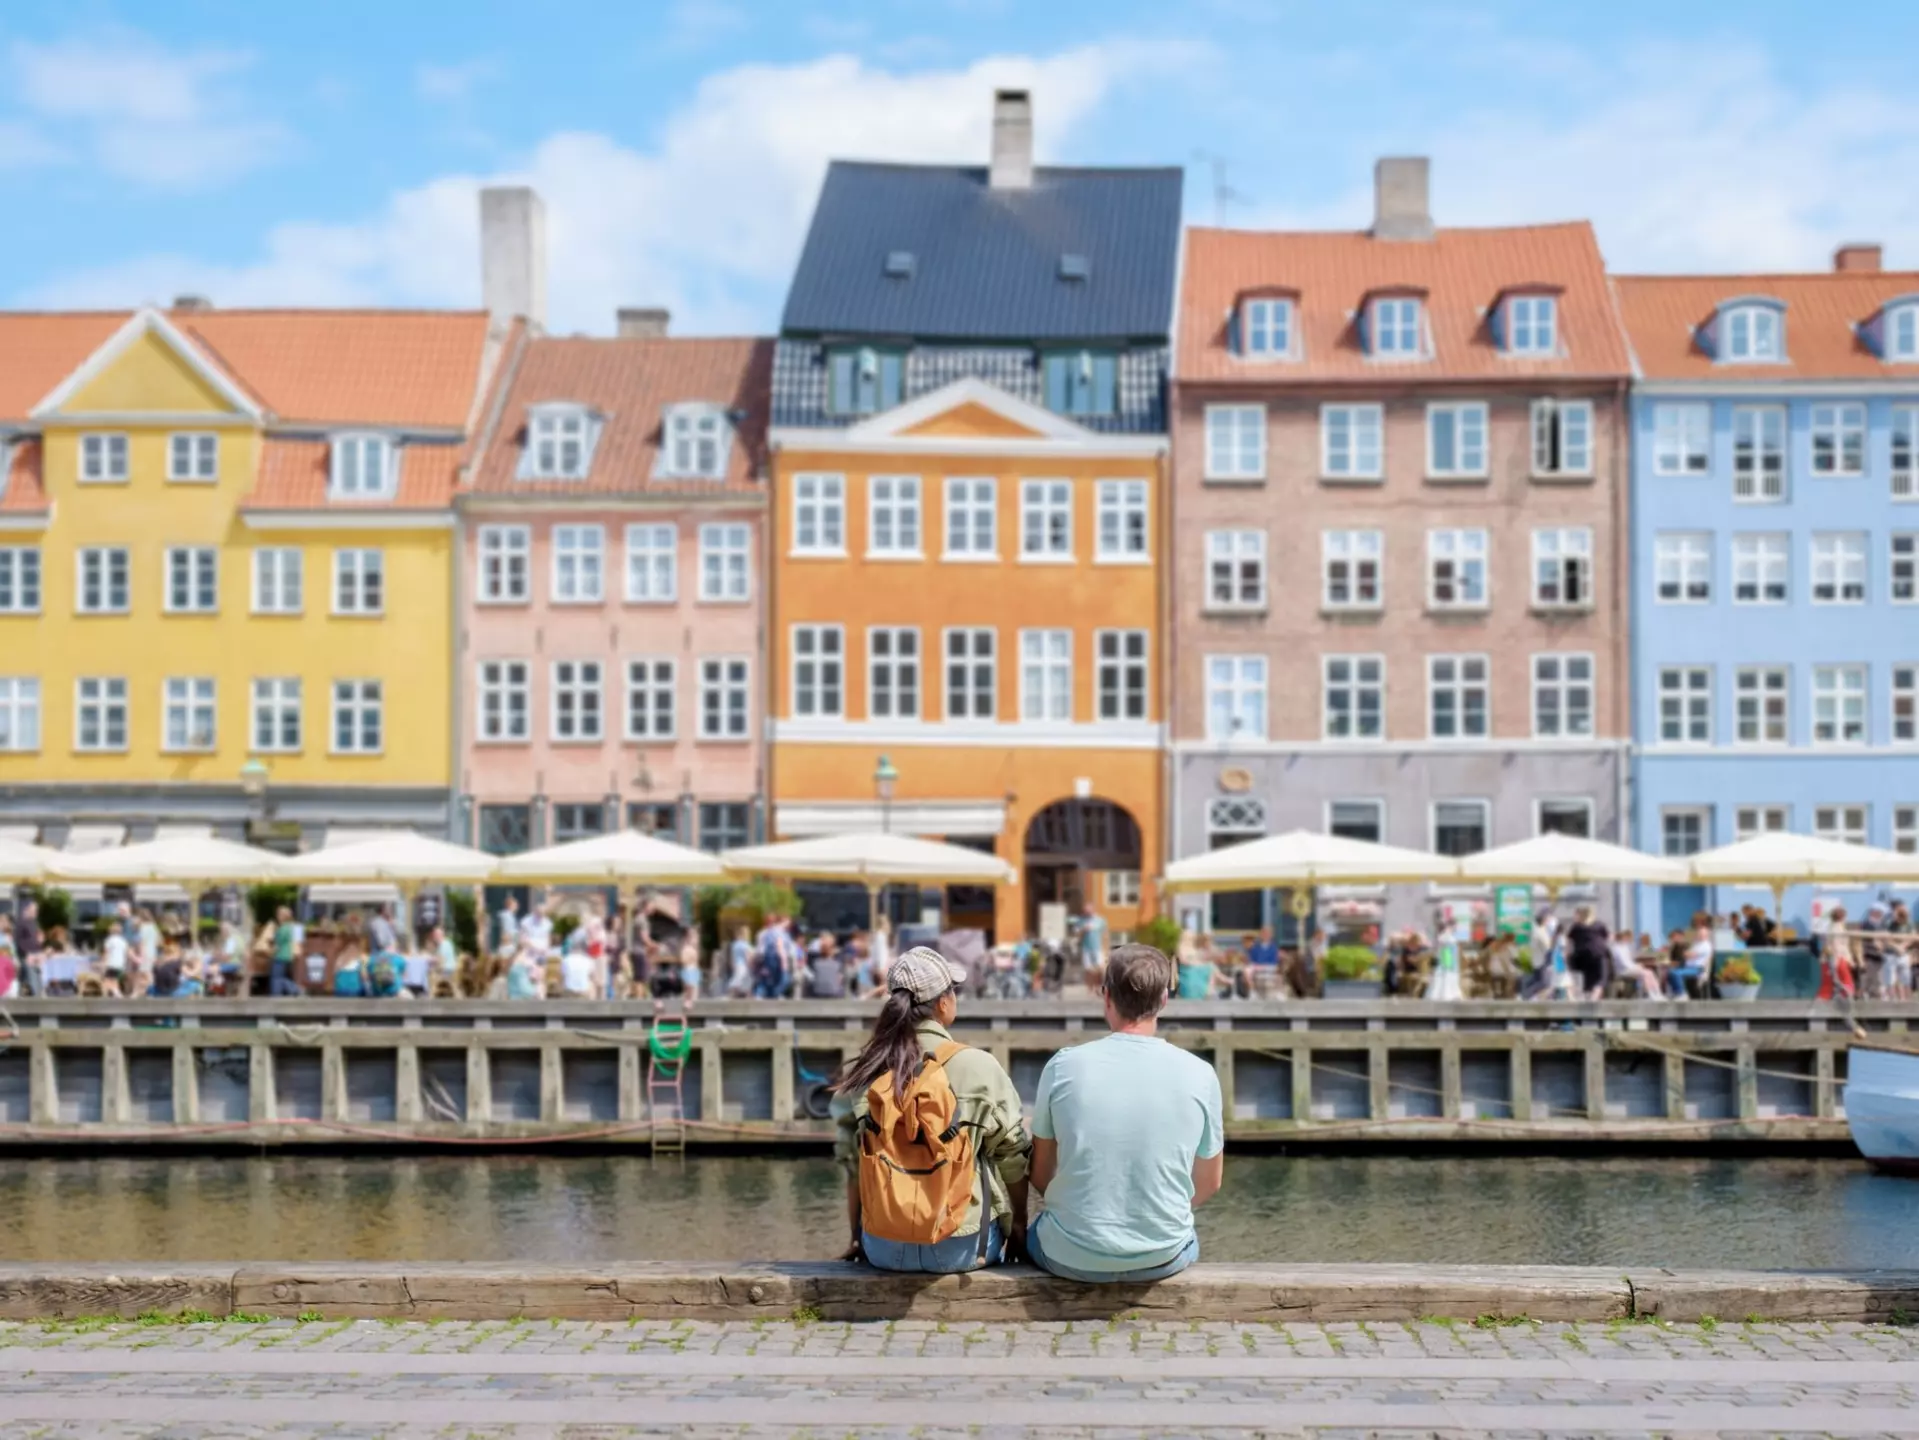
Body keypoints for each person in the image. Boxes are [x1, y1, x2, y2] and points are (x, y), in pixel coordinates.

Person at [1028, 944, 1222, 1284]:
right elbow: (1210, 1182)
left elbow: (1040, 1173)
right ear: (1164, 999)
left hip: (1069, 1252)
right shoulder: (1201, 1073)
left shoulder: (1062, 1066)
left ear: (1106, 997)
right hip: (1163, 1254)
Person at [831, 947, 1029, 1273]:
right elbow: (1012, 1156)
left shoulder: (865, 1070)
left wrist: (858, 1237)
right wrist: (1019, 1225)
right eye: (954, 989)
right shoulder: (979, 1066)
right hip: (963, 1246)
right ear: (943, 1002)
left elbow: (854, 1165)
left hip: (883, 1246)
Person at [1564, 905, 1609, 1000]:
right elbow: (1607, 938)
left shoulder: (1576, 927)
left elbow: (1568, 943)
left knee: (1585, 979)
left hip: (1581, 956)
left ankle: (1583, 997)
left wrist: (1567, 957)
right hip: (1598, 954)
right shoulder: (1599, 925)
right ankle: (1593, 999)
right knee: (1601, 979)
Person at [267, 906, 303, 996]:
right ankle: (288, 991)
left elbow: (278, 944)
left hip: (280, 955)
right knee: (281, 977)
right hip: (290, 956)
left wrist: (270, 948)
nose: (277, 916)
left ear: (283, 916)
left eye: (279, 914)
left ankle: (294, 989)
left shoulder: (282, 929)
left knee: (276, 978)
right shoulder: (294, 927)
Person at [1075, 903, 1108, 991]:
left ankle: (1099, 986)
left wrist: (1105, 947)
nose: (1086, 912)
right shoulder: (1081, 920)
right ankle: (1090, 988)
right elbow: (1076, 933)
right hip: (1086, 947)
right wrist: (1083, 930)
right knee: (1088, 969)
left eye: (1088, 910)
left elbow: (1105, 934)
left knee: (1099, 968)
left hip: (1097, 947)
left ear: (1093, 909)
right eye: (1085, 910)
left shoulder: (1100, 920)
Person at [1245, 926, 1281, 999]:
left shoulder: (1273, 948)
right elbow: (1251, 960)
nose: (1265, 935)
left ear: (1271, 935)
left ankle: (1277, 993)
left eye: (1267, 934)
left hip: (1269, 967)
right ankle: (1252, 991)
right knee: (1247, 970)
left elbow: (1274, 962)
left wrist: (1262, 966)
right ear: (1260, 935)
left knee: (1276, 973)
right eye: (1263, 933)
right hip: (1256, 966)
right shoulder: (1255, 947)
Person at [100, 919, 130, 997]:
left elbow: (106, 953)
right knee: (115, 980)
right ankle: (117, 993)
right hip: (120, 964)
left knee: (106, 980)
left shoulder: (109, 940)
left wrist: (103, 963)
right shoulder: (123, 941)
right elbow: (126, 952)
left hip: (111, 963)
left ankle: (105, 995)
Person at [726, 925, 753, 998]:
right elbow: (748, 956)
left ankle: (746, 994)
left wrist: (732, 964)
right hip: (743, 964)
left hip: (737, 964)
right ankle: (732, 992)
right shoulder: (745, 944)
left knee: (742, 978)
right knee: (742, 978)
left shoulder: (735, 944)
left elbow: (732, 956)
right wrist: (750, 964)